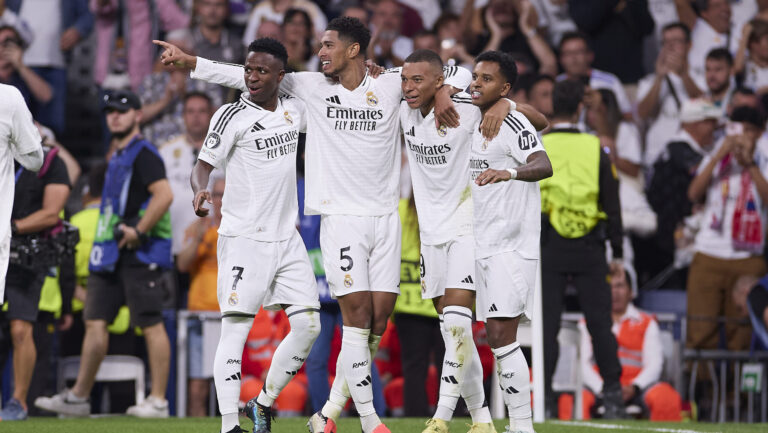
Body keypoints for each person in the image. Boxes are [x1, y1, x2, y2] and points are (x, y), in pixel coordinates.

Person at [154, 15, 515, 433]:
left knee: (378, 323)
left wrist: (448, 92)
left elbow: (453, 70)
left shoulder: (391, 83)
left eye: (328, 45)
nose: (319, 52)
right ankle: (369, 421)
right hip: (340, 219)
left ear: (354, 50)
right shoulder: (309, 87)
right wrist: (190, 62)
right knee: (357, 319)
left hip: (385, 218)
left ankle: (325, 413)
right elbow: (248, 74)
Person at [188, 38, 321, 433]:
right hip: (244, 236)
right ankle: (230, 425)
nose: (252, 77)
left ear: (281, 77)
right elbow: (203, 165)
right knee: (235, 330)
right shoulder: (230, 115)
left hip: (287, 238)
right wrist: (200, 189)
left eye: (262, 71)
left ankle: (262, 403)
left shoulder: (294, 112)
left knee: (310, 326)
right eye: (248, 69)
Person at [34, 89, 174, 418]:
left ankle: (158, 400)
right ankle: (80, 396)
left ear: (138, 115)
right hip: (109, 252)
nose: (114, 116)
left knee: (152, 325)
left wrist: (138, 230)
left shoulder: (144, 153)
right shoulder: (116, 154)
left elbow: (164, 195)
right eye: (110, 111)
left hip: (139, 252)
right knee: (94, 321)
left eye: (122, 111)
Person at [469, 50, 553, 433]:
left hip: (511, 244)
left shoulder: (512, 121)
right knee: (494, 336)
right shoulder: (476, 112)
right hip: (483, 239)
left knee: (503, 335)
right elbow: (544, 120)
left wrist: (510, 172)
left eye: (486, 79)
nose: (475, 83)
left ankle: (522, 425)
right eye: (475, 75)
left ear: (503, 87)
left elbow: (543, 163)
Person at [539, 79, 625, 419]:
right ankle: (614, 394)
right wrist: (617, 252)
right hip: (591, 245)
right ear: (580, 108)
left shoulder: (539, 144)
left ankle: (543, 398)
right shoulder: (596, 148)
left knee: (548, 326)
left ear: (551, 107)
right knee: (600, 323)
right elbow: (612, 202)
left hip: (548, 244)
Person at [686, 105, 768, 352]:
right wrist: (719, 155)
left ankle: (738, 392)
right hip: (709, 252)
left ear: (760, 132)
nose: (741, 136)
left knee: (742, 335)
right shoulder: (716, 152)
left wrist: (750, 164)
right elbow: (693, 193)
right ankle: (701, 390)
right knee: (701, 330)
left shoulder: (764, 156)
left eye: (749, 131)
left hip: (748, 257)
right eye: (736, 128)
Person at [572, 272, 682, 421]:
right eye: (609, 287)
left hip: (637, 389)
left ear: (631, 292)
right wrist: (604, 389)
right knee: (571, 400)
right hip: (598, 388)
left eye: (620, 286)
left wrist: (635, 387)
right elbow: (582, 364)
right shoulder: (587, 323)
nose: (614, 292)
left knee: (666, 398)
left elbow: (655, 364)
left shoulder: (647, 322)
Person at [0, 83, 46, 422]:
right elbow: (33, 157)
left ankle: (17, 400)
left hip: (19, 245)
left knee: (19, 329)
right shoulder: (9, 99)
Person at [176, 176, 224, 417]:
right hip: (201, 316)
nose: (221, 200)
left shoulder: (243, 230)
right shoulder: (197, 229)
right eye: (217, 195)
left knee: (241, 384)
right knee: (198, 387)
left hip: (233, 317)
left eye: (226, 194)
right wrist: (197, 236)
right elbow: (182, 265)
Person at [637, 22, 703, 167]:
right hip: (657, 157)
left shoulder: (701, 79)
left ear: (689, 45)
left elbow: (707, 110)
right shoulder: (648, 82)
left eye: (676, 41)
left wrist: (684, 75)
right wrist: (659, 78)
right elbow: (642, 114)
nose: (670, 47)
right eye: (666, 42)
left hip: (692, 160)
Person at [158, 91, 215, 261]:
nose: (196, 117)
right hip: (174, 244)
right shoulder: (165, 151)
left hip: (213, 246)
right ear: (183, 116)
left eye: (202, 111)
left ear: (211, 114)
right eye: (190, 111)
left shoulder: (226, 152)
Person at [556, 31, 632, 117]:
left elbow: (627, 116)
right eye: (568, 53)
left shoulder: (610, 82)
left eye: (578, 52)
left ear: (590, 55)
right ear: (560, 58)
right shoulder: (555, 84)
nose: (574, 57)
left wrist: (601, 105)